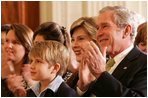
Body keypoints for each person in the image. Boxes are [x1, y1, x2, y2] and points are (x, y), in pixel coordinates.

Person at [77, 6, 147, 97]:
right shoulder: (98, 62)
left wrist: (101, 74)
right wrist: (83, 87)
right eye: (98, 28)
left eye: (105, 26)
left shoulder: (144, 62)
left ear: (126, 31)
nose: (99, 33)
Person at [33, 22, 79, 87]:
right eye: (34, 44)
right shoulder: (35, 74)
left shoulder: (69, 80)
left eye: (39, 45)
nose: (34, 49)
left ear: (54, 49)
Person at [2, 24, 35, 97]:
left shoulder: (33, 79)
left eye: (15, 42)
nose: (8, 46)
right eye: (7, 41)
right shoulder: (4, 75)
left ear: (27, 48)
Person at [67, 17, 98, 88]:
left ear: (95, 41)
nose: (74, 45)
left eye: (81, 39)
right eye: (73, 40)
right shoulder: (74, 76)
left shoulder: (107, 71)